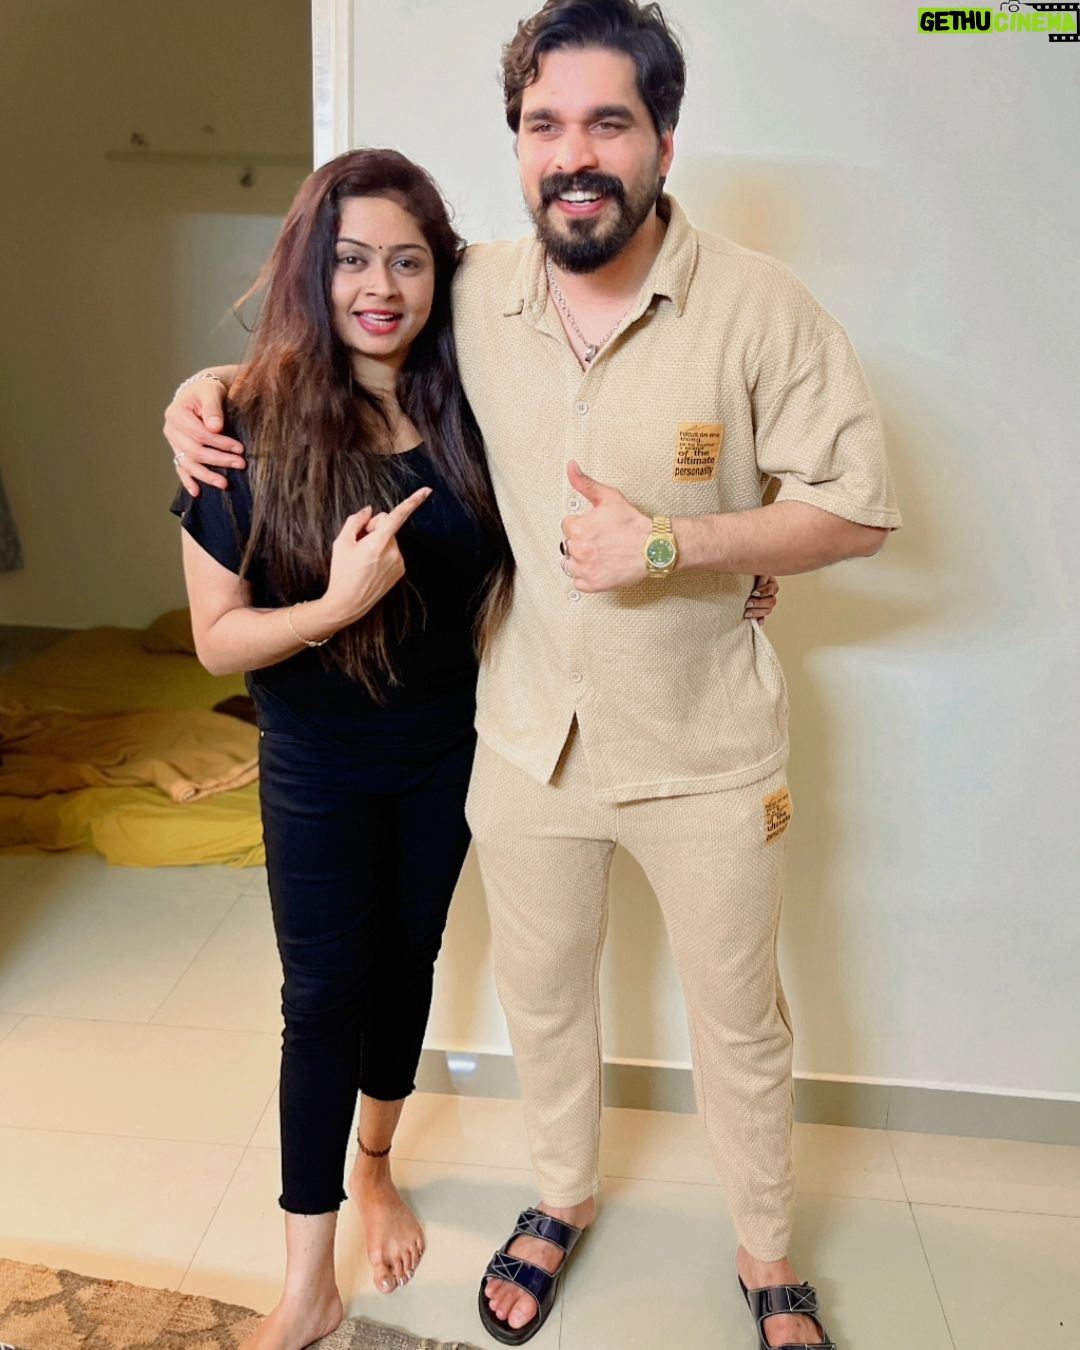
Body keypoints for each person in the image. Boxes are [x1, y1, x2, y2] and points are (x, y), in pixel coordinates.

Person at [164, 2, 893, 1345]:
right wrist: (206, 390)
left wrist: (680, 542)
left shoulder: (761, 308)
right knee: (544, 1006)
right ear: (516, 146)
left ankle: (768, 1253)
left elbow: (854, 509)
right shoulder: (474, 296)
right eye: (545, 124)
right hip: (523, 742)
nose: (575, 153)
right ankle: (560, 1197)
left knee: (742, 1019)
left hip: (704, 746)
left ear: (664, 138)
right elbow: (340, 326)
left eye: (609, 121)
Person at [171, 147, 517, 1350]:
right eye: (354, 259)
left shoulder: (473, 405)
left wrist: (722, 575)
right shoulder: (240, 428)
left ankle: (377, 1165)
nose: (381, 287)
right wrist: (333, 606)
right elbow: (216, 640)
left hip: (446, 748)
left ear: (440, 276)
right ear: (311, 271)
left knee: (407, 962)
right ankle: (308, 1281)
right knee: (321, 998)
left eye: (409, 261)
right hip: (315, 760)